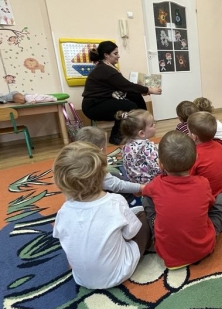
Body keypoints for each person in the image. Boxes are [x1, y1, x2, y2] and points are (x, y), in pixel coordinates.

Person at [142, 130, 222, 269]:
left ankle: (162, 232)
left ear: (160, 164)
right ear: (196, 159)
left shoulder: (155, 184)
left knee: (146, 199)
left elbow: (144, 191)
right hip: (203, 248)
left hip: (166, 253)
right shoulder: (203, 183)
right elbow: (211, 205)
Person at [52, 142, 151, 289]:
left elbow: (63, 237)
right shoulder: (115, 201)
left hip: (81, 279)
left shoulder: (63, 211)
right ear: (103, 177)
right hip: (119, 273)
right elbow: (131, 234)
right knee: (144, 217)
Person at [82, 41, 162, 145]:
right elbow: (127, 86)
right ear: (106, 55)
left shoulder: (107, 67)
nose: (118, 56)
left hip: (101, 101)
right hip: (94, 106)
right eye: (115, 54)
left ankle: (143, 123)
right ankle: (116, 136)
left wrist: (141, 90)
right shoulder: (105, 70)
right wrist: (149, 90)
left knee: (134, 95)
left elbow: (125, 87)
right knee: (129, 106)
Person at [75, 126, 144, 205]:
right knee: (120, 185)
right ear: (100, 151)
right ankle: (132, 202)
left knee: (114, 175)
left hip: (80, 197)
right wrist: (140, 187)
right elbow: (117, 185)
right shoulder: (97, 169)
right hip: (96, 202)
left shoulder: (71, 164)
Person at [187, 111, 222, 197]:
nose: (187, 134)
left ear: (194, 137)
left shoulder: (193, 154)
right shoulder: (219, 146)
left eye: (188, 132)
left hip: (209, 198)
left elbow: (188, 179)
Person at [117, 109, 160, 185]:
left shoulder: (125, 147)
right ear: (141, 133)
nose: (154, 125)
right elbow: (157, 170)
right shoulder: (148, 148)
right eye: (151, 125)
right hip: (150, 184)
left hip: (134, 183)